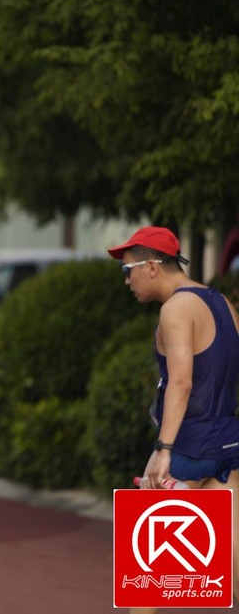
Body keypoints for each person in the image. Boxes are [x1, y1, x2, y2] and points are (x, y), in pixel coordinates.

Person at [107, 226, 239, 614]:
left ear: (151, 267)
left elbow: (181, 382)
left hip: (187, 447)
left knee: (146, 566)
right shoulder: (222, 303)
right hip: (228, 443)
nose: (126, 281)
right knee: (232, 551)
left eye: (127, 270)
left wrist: (163, 449)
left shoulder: (176, 309)